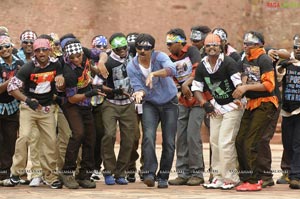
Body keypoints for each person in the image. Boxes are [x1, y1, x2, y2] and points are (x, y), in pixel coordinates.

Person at [6, 38, 64, 189]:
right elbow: (12, 87)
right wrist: (27, 100)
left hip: (47, 109)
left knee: (51, 142)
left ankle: (50, 177)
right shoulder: (28, 67)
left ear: (49, 50)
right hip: (28, 108)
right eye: (38, 50)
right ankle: (16, 173)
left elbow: (63, 76)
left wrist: (61, 78)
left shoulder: (56, 65)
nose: (41, 53)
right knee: (24, 137)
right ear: (35, 53)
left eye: (44, 50)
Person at [191, 33, 245, 190]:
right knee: (214, 143)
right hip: (216, 107)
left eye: (214, 45)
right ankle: (218, 177)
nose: (211, 48)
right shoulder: (202, 66)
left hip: (233, 107)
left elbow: (238, 85)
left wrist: (239, 97)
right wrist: (204, 103)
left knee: (225, 142)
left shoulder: (228, 63)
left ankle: (231, 178)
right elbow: (196, 88)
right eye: (208, 45)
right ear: (204, 48)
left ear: (221, 46)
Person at [127, 33, 178, 188]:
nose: (142, 50)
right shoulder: (132, 66)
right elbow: (138, 87)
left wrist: (154, 73)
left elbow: (172, 69)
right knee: (148, 137)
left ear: (152, 49)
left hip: (169, 103)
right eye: (139, 47)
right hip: (150, 104)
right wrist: (139, 92)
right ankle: (149, 173)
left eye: (146, 47)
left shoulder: (160, 57)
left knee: (169, 141)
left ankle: (163, 175)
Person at [233, 31, 278, 191]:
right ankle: (245, 178)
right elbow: (244, 76)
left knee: (250, 142)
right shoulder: (245, 59)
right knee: (239, 140)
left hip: (266, 103)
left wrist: (246, 87)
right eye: (244, 43)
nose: (245, 46)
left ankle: (255, 180)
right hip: (251, 103)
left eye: (249, 44)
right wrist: (240, 90)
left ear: (259, 45)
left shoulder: (264, 59)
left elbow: (269, 85)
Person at [59, 39, 104, 189]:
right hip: (71, 104)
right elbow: (71, 98)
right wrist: (89, 93)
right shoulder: (68, 72)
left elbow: (103, 53)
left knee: (91, 137)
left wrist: (101, 63)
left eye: (78, 56)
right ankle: (67, 172)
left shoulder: (85, 52)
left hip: (85, 104)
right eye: (72, 58)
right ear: (67, 57)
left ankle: (84, 175)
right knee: (78, 133)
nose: (76, 59)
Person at [165, 28, 205, 186]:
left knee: (192, 136)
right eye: (167, 43)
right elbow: (172, 77)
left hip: (198, 99)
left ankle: (197, 172)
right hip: (183, 101)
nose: (168, 46)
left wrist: (186, 84)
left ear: (180, 42)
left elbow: (198, 70)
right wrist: (179, 88)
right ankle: (182, 172)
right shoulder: (169, 58)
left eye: (171, 43)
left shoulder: (192, 51)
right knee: (180, 136)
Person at [100, 33, 136, 186]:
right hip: (111, 103)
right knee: (109, 135)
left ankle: (121, 172)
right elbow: (98, 85)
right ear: (113, 49)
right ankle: (108, 171)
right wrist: (114, 91)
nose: (122, 50)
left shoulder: (132, 54)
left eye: (124, 47)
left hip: (128, 104)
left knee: (129, 139)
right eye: (118, 49)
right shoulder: (107, 61)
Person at [276, 35, 300, 189]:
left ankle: (296, 176)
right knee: (288, 143)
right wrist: (281, 64)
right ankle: (289, 171)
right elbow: (277, 79)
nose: (298, 50)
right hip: (287, 110)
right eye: (296, 47)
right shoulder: (286, 65)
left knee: (298, 143)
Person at [0, 35, 23, 184]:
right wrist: (12, 81)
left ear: (12, 47)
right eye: (0, 48)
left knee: (10, 141)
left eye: (7, 46)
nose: (4, 50)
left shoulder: (19, 63)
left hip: (13, 107)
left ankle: (4, 174)